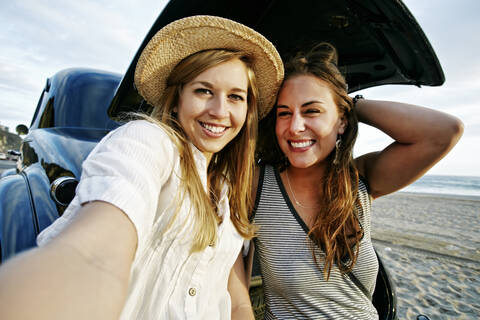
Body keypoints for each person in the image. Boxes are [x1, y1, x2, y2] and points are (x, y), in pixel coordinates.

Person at [0, 15, 283, 320]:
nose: (219, 111)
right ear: (176, 100)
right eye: (203, 91)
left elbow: (237, 299)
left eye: (235, 97)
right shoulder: (147, 141)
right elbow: (97, 253)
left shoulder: (228, 187)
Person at [251, 42, 463, 319]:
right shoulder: (256, 184)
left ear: (341, 121)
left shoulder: (359, 179)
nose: (295, 126)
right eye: (284, 113)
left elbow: (444, 132)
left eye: (312, 110)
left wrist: (352, 105)